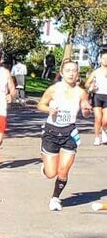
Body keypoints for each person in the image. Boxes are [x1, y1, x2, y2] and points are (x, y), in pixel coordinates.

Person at [37, 61, 92, 211]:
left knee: (63, 170)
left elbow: (85, 112)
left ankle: (55, 198)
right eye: (68, 70)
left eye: (74, 70)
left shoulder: (81, 92)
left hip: (70, 133)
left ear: (77, 73)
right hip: (51, 132)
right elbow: (40, 105)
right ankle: (46, 169)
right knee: (51, 173)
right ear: (62, 73)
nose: (71, 73)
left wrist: (87, 109)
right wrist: (49, 109)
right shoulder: (53, 90)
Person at [85, 50, 107, 145]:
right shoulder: (96, 72)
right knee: (98, 118)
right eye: (103, 58)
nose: (105, 60)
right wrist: (91, 87)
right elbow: (86, 84)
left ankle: (104, 130)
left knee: (105, 120)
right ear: (100, 60)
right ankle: (97, 137)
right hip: (97, 96)